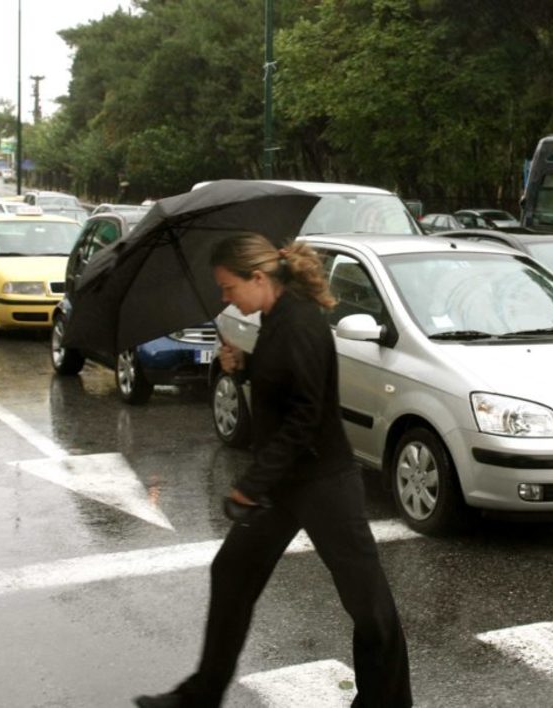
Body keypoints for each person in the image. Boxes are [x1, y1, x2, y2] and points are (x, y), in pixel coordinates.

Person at [134, 233, 412, 708]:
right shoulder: (277, 318)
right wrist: (243, 365)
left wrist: (251, 486)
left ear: (258, 278)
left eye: (228, 287)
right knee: (232, 572)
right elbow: (283, 381)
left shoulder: (299, 323)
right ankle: (201, 695)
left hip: (323, 482)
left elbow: (305, 416)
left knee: (367, 605)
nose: (225, 298)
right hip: (286, 483)